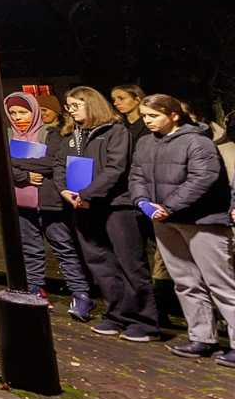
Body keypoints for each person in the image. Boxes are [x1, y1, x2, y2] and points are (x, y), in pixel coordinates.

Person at [129, 94, 235, 363]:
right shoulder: (145, 143)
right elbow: (137, 175)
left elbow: (203, 178)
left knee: (220, 283)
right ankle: (202, 337)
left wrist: (169, 206)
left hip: (202, 222)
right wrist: (142, 202)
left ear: (174, 114)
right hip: (165, 220)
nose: (147, 121)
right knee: (185, 281)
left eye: (153, 115)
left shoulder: (197, 141)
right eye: (144, 116)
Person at [52, 85, 153, 337]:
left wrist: (86, 195)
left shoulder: (116, 132)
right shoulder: (71, 135)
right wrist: (65, 191)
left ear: (91, 105)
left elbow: (115, 169)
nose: (70, 111)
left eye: (75, 105)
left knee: (130, 263)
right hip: (80, 206)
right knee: (100, 262)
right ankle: (116, 314)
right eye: (69, 106)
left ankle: (144, 321)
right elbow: (59, 165)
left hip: (115, 206)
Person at [4, 91, 92, 318]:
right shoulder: (5, 134)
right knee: (30, 250)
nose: (17, 117)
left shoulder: (51, 133)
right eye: (12, 112)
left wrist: (9, 157)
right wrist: (22, 175)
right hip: (21, 205)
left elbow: (52, 162)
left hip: (49, 203)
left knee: (64, 248)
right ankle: (35, 289)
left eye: (22, 111)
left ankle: (81, 294)